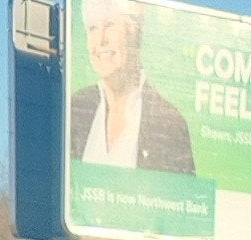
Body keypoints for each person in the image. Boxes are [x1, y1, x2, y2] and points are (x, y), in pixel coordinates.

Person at [67, 0, 197, 174]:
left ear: (135, 31)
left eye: (110, 25)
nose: (101, 40)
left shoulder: (169, 123)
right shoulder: (75, 109)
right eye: (93, 28)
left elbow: (181, 190)